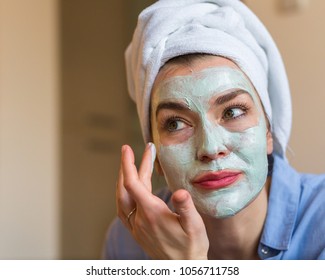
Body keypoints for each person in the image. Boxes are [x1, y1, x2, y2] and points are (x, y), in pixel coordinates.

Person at [103, 0, 325, 260]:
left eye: (232, 112)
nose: (210, 148)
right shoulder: (129, 239)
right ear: (156, 158)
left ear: (268, 132)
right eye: (175, 124)